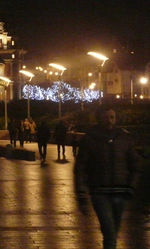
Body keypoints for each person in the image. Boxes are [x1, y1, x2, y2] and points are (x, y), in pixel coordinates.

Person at [74, 104, 141, 249]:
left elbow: (135, 165)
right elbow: (80, 167)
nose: (109, 121)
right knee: (109, 232)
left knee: (113, 233)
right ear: (99, 118)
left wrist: (131, 187)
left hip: (120, 192)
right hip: (100, 192)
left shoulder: (124, 138)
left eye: (112, 117)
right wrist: (81, 192)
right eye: (106, 118)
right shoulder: (90, 139)